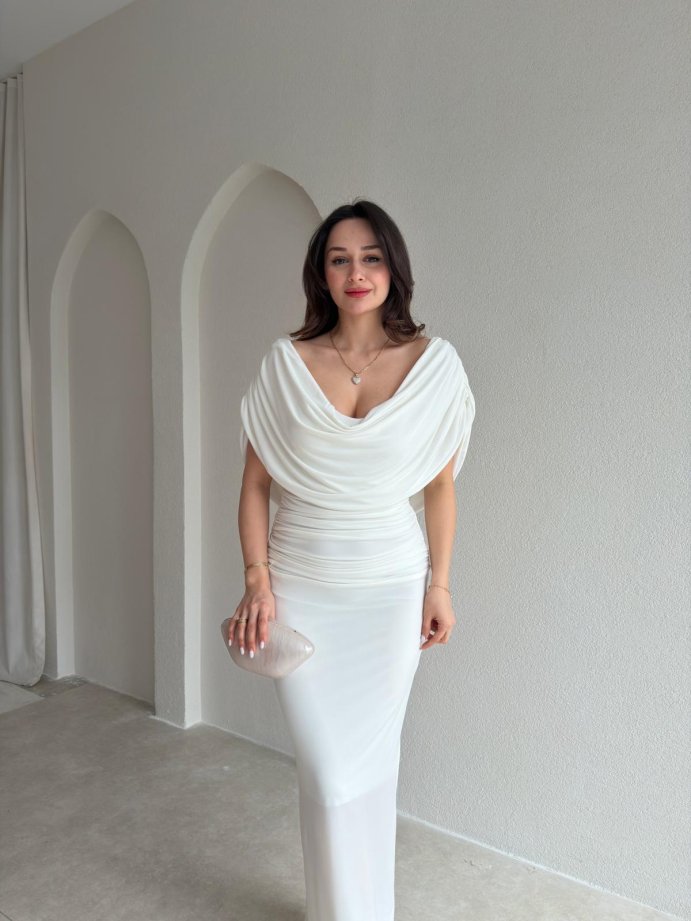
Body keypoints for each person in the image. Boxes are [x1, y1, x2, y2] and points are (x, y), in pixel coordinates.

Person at [231, 199, 476, 921]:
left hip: (389, 593)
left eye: (370, 257)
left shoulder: (434, 365)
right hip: (302, 590)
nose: (356, 272)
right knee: (329, 774)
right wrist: (257, 582)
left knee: (370, 770)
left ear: (393, 267)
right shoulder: (285, 364)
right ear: (321, 274)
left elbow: (440, 488)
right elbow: (254, 485)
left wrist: (439, 586)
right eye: (339, 259)